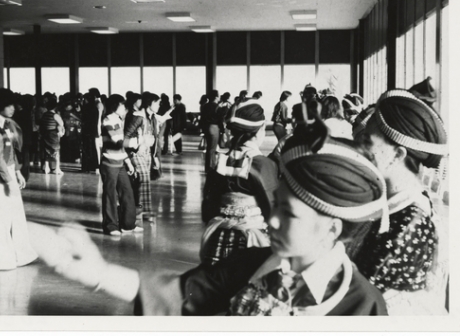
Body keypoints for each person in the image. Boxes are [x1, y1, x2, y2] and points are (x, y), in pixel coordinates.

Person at [36, 121, 389, 316]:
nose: (273, 222)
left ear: (331, 228)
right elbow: (178, 294)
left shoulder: (363, 305)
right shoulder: (252, 262)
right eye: (276, 206)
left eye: (289, 214)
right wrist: (97, 273)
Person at [354, 89, 448, 315]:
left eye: (367, 141)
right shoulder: (392, 203)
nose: (359, 148)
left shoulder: (408, 227)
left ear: (397, 155)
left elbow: (359, 305)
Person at [201, 99, 280, 265]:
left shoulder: (220, 162)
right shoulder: (261, 164)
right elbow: (273, 209)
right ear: (260, 130)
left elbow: (207, 208)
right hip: (251, 239)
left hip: (217, 238)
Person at [0, 88, 37, 271]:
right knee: (1, 218)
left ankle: (20, 255)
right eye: (8, 104)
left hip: (9, 173)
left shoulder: (6, 124)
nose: (13, 108)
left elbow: (11, 152)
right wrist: (9, 181)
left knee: (16, 216)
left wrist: (18, 172)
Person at [100, 94, 143, 236]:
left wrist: (128, 162)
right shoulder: (108, 120)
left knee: (127, 193)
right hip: (109, 163)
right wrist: (140, 141)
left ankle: (128, 224)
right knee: (110, 195)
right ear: (115, 106)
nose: (124, 107)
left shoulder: (117, 119)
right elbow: (118, 142)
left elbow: (121, 146)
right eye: (122, 105)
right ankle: (111, 226)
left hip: (120, 163)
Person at [124, 92, 161, 222]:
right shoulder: (138, 117)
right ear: (149, 103)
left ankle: (141, 211)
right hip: (136, 153)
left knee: (143, 182)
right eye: (157, 103)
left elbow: (154, 138)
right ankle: (143, 212)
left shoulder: (152, 118)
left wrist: (155, 156)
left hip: (147, 153)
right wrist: (139, 141)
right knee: (143, 178)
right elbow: (125, 138)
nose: (159, 105)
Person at [39, 95, 65, 175]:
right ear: (55, 107)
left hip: (45, 135)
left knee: (47, 152)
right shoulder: (55, 115)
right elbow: (61, 123)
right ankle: (57, 168)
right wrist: (61, 131)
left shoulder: (44, 114)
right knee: (56, 152)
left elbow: (42, 124)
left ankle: (46, 168)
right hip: (53, 135)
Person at [200, 90, 221, 172]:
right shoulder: (217, 107)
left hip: (207, 127)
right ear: (216, 97)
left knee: (209, 148)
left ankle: (208, 167)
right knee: (212, 148)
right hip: (214, 127)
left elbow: (202, 118)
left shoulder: (205, 106)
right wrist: (222, 130)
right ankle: (211, 167)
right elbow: (220, 119)